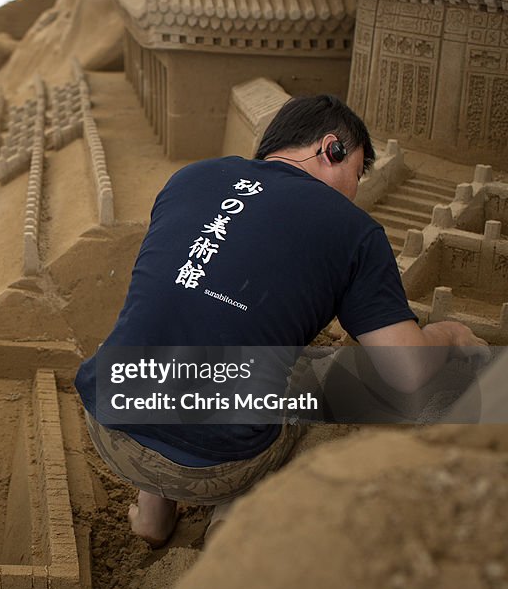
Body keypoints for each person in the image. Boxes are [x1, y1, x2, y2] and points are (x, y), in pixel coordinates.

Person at [73, 95, 488, 547]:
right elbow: (407, 370)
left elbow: (173, 303)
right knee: (319, 378)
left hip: (107, 423)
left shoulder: (190, 177)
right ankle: (234, 519)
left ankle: (153, 515)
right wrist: (449, 333)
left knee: (168, 327)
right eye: (357, 171)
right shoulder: (355, 232)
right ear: (332, 148)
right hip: (216, 465)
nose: (356, 190)